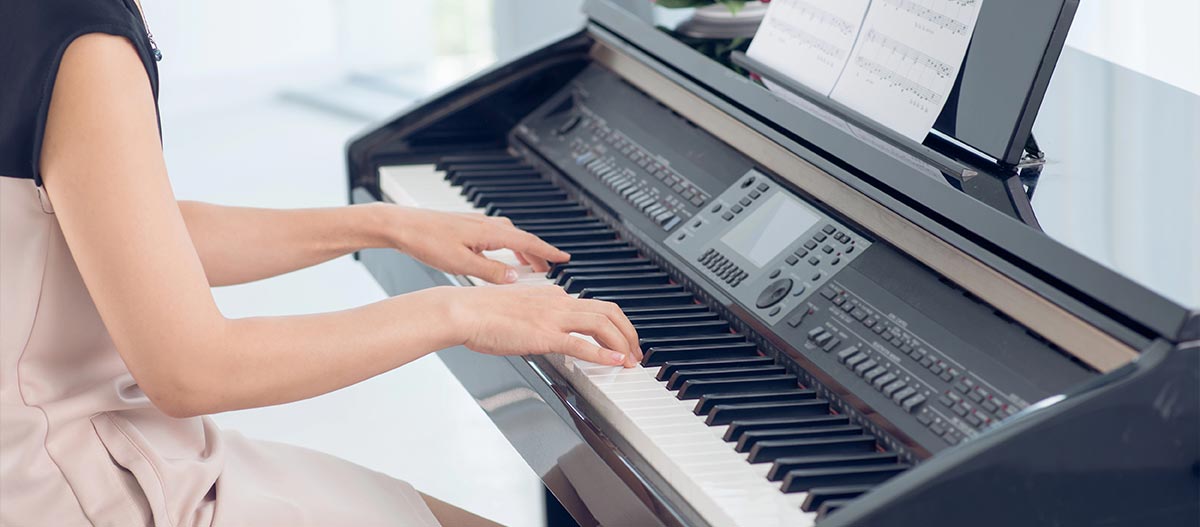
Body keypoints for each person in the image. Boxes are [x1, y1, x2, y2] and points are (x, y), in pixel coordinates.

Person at [0, 0, 641, 525]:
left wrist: (385, 224)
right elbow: (192, 371)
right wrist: (461, 312)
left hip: (83, 447)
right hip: (82, 482)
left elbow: (119, 232)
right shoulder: (81, 34)